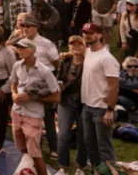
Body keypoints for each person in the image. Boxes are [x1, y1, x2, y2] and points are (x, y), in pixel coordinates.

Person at [9, 38, 60, 175]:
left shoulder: (45, 71)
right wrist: (14, 95)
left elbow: (57, 96)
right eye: (18, 48)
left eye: (23, 48)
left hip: (33, 115)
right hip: (16, 112)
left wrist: (32, 97)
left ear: (32, 50)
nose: (20, 50)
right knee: (23, 150)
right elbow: (13, 84)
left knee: (35, 153)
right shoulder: (17, 65)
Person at [79, 23, 119, 168]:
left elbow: (114, 86)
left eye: (90, 33)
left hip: (101, 109)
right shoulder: (88, 52)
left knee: (104, 148)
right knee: (90, 146)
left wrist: (109, 110)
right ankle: (96, 171)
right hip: (87, 106)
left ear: (100, 35)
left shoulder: (107, 59)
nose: (86, 36)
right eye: (85, 33)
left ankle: (111, 171)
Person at [54, 35, 87, 175]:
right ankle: (63, 167)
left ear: (85, 46)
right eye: (73, 44)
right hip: (66, 102)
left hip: (84, 103)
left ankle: (80, 167)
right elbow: (60, 78)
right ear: (69, 46)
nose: (76, 47)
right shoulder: (66, 61)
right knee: (63, 136)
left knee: (83, 136)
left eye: (80, 44)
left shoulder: (91, 61)